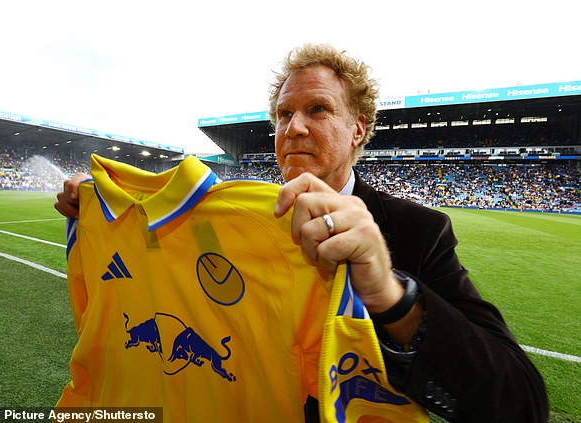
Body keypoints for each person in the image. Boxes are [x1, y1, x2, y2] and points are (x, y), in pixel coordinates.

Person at [55, 43, 549, 422]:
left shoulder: (416, 231)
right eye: (283, 114)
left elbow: (521, 404)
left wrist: (390, 294)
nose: (293, 128)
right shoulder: (241, 218)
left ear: (358, 127)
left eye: (317, 110)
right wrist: (99, 209)